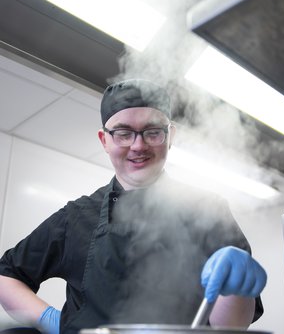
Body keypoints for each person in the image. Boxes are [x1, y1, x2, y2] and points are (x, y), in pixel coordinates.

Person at [0, 79, 267, 334]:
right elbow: (6, 275)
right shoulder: (76, 217)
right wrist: (52, 321)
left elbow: (231, 327)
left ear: (170, 135)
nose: (138, 146)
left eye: (152, 132)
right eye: (123, 133)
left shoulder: (209, 210)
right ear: (104, 140)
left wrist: (237, 289)